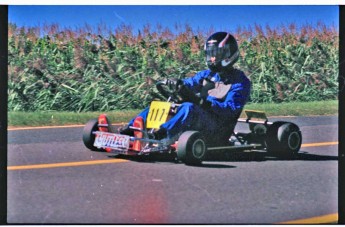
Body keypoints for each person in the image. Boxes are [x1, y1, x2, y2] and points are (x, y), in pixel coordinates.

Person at [121, 32, 251, 145]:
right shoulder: (207, 75)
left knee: (189, 107)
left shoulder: (240, 82)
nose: (213, 59)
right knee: (161, 105)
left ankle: (161, 135)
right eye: (211, 54)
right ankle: (131, 129)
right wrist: (177, 84)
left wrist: (203, 102)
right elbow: (189, 83)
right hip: (202, 119)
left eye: (216, 54)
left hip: (218, 128)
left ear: (229, 54)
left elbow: (230, 109)